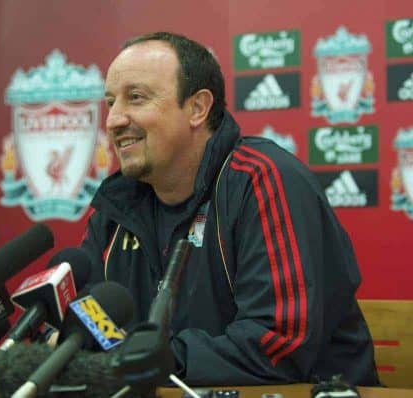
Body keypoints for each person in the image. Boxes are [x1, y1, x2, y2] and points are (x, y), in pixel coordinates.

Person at [80, 31, 380, 386]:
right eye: (111, 102)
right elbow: (87, 320)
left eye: (135, 98)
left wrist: (156, 363)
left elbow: (278, 343)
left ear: (197, 108)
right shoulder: (118, 206)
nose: (114, 119)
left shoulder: (262, 180)